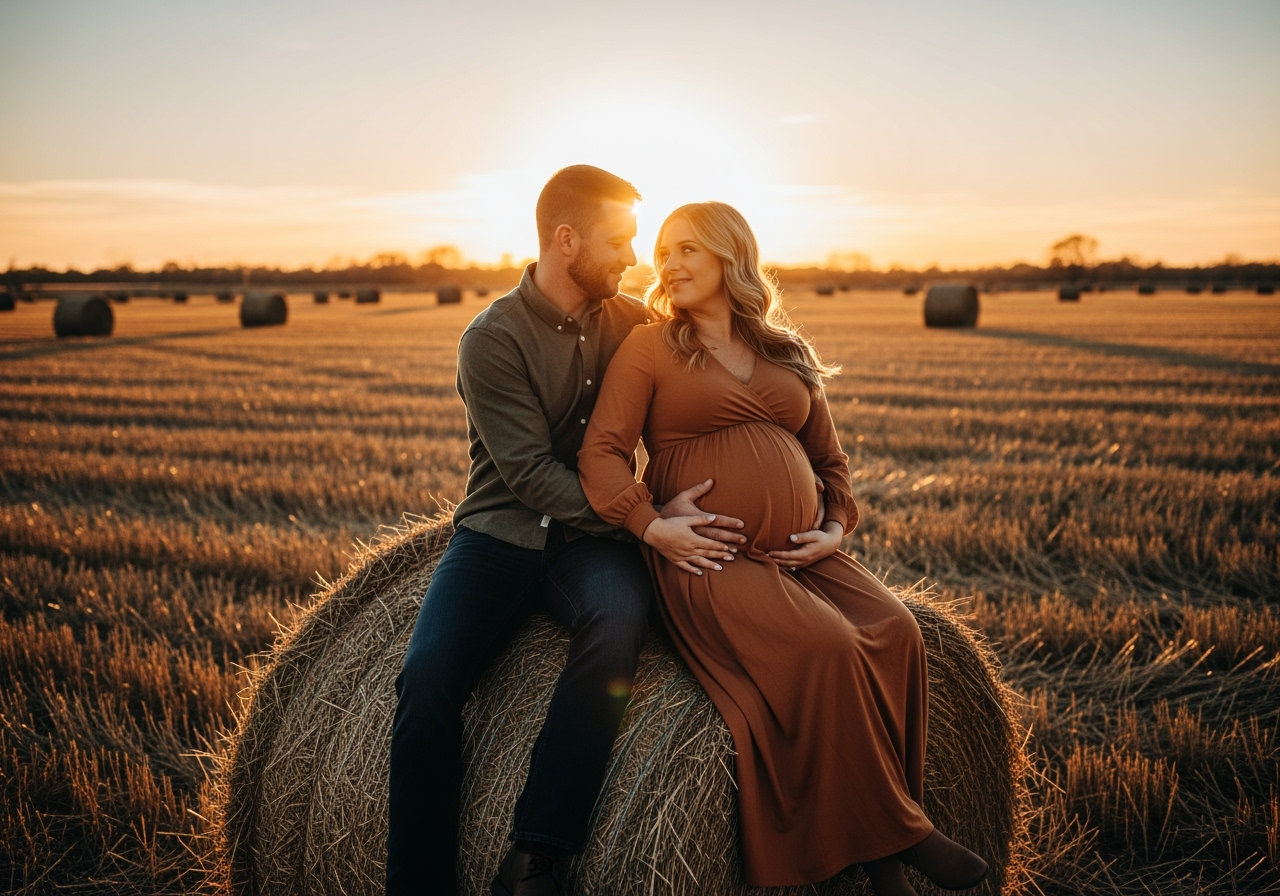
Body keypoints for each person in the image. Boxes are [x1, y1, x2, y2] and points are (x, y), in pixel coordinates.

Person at [577, 201, 989, 896]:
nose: (668, 265)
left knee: (897, 632)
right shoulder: (651, 347)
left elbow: (830, 462)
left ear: (731, 258)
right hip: (707, 557)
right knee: (824, 651)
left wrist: (833, 527)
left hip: (806, 554)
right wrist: (652, 526)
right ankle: (903, 840)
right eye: (663, 252)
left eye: (688, 252)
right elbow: (602, 454)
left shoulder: (784, 350)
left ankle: (878, 853)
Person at [385, 167, 751, 896]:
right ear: (566, 240)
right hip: (498, 538)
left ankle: (537, 852)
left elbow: (704, 396)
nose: (633, 258)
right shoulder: (490, 340)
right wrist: (645, 522)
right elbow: (528, 478)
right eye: (620, 242)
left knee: (618, 621)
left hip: (590, 547)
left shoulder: (633, 327)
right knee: (425, 683)